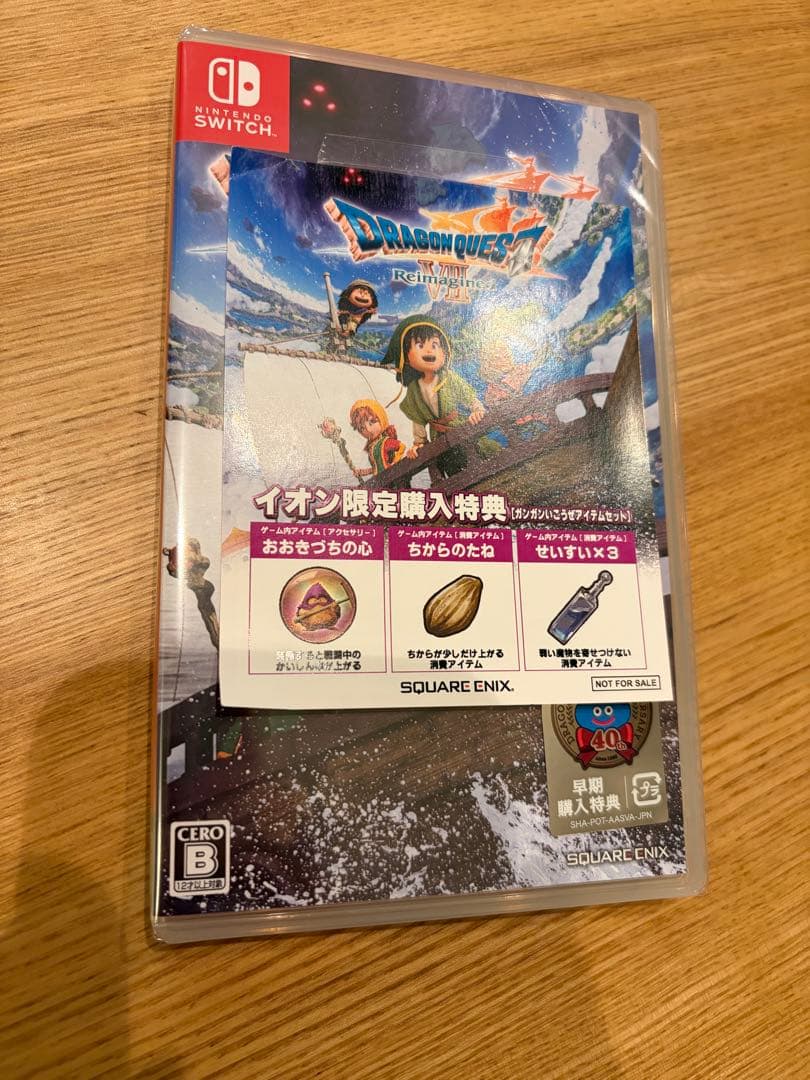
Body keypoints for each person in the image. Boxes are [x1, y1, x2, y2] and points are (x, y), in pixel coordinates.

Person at [382, 314, 496, 477]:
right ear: (406, 356)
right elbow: (418, 422)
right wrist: (419, 444)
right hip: (440, 442)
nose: (429, 350)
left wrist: (477, 411)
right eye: (420, 345)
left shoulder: (449, 378)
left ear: (444, 352)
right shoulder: (414, 390)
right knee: (454, 474)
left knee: (482, 461)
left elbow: (470, 398)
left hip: (461, 431)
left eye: (435, 345)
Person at [348, 399, 405, 477]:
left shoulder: (385, 441)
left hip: (391, 477)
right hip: (380, 480)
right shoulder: (372, 447)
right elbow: (376, 468)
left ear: (381, 419)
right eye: (362, 428)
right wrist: (363, 472)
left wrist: (395, 462)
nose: (368, 430)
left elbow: (402, 446)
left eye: (372, 422)